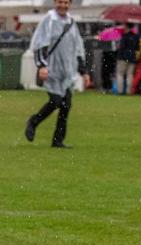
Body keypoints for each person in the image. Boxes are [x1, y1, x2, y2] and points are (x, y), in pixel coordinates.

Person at [24, 0, 89, 149]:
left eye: (66, 2)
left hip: (67, 71)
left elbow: (78, 48)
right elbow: (39, 43)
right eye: (60, 2)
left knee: (66, 105)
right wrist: (42, 65)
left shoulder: (71, 23)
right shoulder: (49, 20)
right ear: (55, 2)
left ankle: (57, 140)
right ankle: (33, 122)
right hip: (51, 70)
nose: (63, 5)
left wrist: (83, 71)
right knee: (56, 101)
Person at [114, 24, 139, 96]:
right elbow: (137, 48)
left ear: (126, 27)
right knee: (130, 75)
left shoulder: (124, 36)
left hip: (122, 58)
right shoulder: (136, 36)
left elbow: (121, 48)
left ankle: (120, 91)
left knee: (120, 74)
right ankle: (128, 91)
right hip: (132, 58)